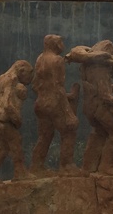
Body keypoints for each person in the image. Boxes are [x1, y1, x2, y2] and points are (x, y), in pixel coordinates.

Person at [67, 40, 113, 175]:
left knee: (99, 133)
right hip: (101, 108)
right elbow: (105, 96)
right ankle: (108, 166)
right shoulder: (100, 69)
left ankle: (89, 166)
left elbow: (101, 89)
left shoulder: (88, 67)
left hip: (90, 108)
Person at [30, 34, 81, 175]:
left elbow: (35, 85)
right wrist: (68, 112)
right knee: (69, 129)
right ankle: (67, 166)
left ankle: (36, 166)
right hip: (54, 103)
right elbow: (58, 88)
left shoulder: (40, 59)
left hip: (40, 103)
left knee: (45, 135)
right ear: (54, 44)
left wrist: (45, 95)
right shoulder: (57, 60)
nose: (62, 45)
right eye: (60, 42)